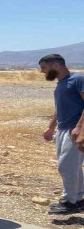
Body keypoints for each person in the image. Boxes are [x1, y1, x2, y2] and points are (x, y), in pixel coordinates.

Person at [39, 54, 84, 214]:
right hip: (63, 130)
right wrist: (51, 128)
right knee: (72, 166)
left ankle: (68, 202)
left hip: (75, 129)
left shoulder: (77, 79)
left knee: (65, 166)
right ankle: (79, 199)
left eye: (44, 68)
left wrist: (79, 128)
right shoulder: (60, 84)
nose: (42, 71)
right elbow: (59, 109)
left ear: (56, 65)